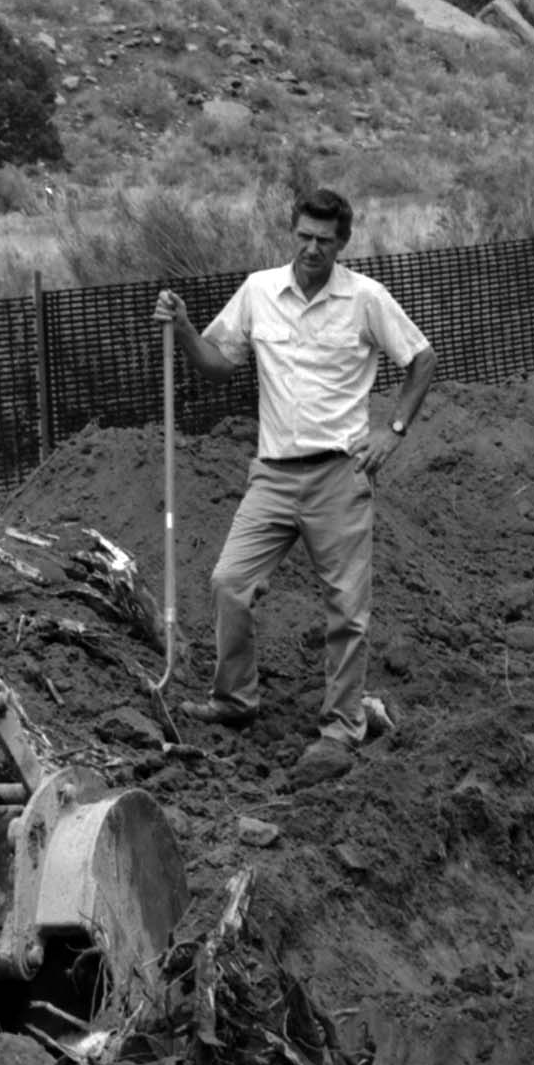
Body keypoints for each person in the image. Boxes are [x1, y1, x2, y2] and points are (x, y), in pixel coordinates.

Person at [154, 187, 437, 783]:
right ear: (293, 232)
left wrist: (393, 430)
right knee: (229, 583)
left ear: (343, 242)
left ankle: (342, 725)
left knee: (346, 610)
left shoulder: (365, 299)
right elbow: (217, 364)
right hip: (273, 475)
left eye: (324, 241)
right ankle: (234, 700)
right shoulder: (259, 291)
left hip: (340, 473)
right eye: (304, 236)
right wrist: (182, 328)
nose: (312, 249)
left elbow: (421, 359)